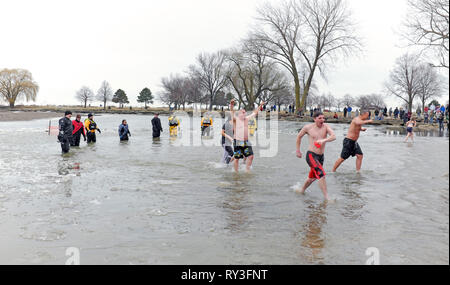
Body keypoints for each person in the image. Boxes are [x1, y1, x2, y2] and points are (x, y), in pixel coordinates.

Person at [295, 112, 336, 201]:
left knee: (312, 178)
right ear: (315, 119)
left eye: (323, 118)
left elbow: (333, 136)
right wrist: (298, 150)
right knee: (321, 174)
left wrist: (324, 140)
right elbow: (299, 137)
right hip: (311, 155)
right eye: (320, 118)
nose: (322, 120)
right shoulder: (308, 127)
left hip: (321, 157)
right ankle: (327, 198)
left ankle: (301, 190)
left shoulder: (326, 127)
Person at [229, 99, 265, 173]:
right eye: (242, 112)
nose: (244, 114)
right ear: (239, 114)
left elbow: (255, 112)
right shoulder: (236, 119)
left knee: (251, 156)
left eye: (245, 113)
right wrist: (231, 105)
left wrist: (260, 105)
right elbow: (232, 112)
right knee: (237, 158)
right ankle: (236, 173)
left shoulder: (247, 119)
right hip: (238, 142)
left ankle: (247, 170)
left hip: (246, 141)